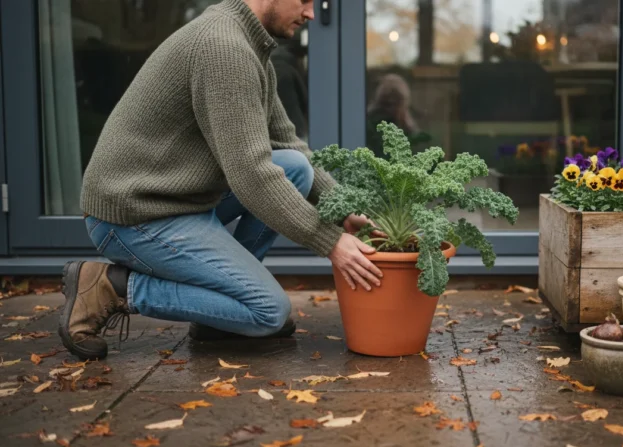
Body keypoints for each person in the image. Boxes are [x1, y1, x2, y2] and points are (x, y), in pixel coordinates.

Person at [60, 0, 383, 361]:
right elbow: (252, 175)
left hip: (177, 198)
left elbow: (287, 143)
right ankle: (113, 288)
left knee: (294, 167)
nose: (311, 13)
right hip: (136, 215)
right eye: (305, 0)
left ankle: (221, 313)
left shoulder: (247, 43)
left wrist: (342, 210)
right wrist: (331, 241)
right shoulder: (224, 48)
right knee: (267, 311)